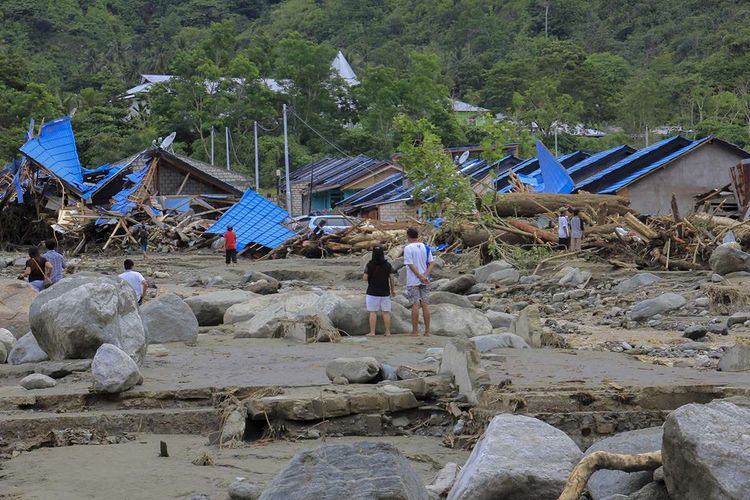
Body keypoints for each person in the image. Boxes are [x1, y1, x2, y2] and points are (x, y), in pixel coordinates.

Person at [403, 227, 434, 337]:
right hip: (425, 280)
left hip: (413, 280)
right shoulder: (425, 247)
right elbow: (431, 263)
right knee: (425, 305)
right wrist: (425, 276)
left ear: (408, 236)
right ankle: (427, 331)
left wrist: (420, 276)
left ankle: (415, 331)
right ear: (417, 235)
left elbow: (410, 264)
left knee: (415, 304)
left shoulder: (408, 248)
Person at [363, 246, 396, 337]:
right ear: (382, 253)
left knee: (373, 312)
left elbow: (365, 278)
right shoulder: (388, 265)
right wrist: (393, 290)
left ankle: (372, 332)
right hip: (385, 292)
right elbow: (392, 279)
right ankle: (388, 332)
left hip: (372, 292)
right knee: (386, 312)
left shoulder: (369, 265)